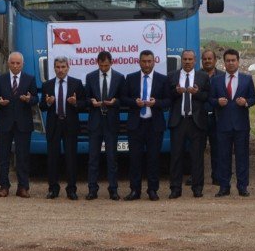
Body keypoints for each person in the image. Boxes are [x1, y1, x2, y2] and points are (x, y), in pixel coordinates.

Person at [121, 50, 170, 201]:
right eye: (144, 61)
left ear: (154, 61)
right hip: (136, 125)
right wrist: (134, 102)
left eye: (149, 61)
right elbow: (123, 98)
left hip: (154, 125)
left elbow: (168, 101)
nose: (147, 64)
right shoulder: (130, 78)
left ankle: (152, 190)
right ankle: (135, 190)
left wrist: (157, 103)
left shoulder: (163, 79)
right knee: (135, 159)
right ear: (139, 62)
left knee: (153, 159)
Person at [209, 48, 255, 197]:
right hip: (222, 125)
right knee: (223, 157)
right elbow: (210, 99)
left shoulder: (246, 79)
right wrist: (217, 102)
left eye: (233, 60)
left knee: (242, 157)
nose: (230, 63)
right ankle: (224, 187)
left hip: (241, 125)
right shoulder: (216, 80)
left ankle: (242, 186)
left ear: (238, 62)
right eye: (228, 61)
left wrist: (246, 102)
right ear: (224, 63)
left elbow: (254, 99)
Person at [0, 52, 37, 198]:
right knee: (3, 155)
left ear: (22, 64)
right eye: (13, 63)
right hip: (5, 122)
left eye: (18, 63)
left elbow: (36, 99)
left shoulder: (29, 79)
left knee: (23, 156)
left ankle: (23, 187)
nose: (15, 65)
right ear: (8, 63)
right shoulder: (0, 79)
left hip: (23, 123)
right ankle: (4, 186)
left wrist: (29, 99)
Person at [40, 57, 84, 199]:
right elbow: (41, 106)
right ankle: (53, 188)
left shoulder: (76, 84)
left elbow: (84, 104)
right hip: (54, 124)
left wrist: (76, 103)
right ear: (54, 68)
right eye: (58, 67)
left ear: (68, 68)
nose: (60, 70)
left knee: (71, 158)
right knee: (52, 158)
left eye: (63, 67)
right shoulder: (47, 85)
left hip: (70, 124)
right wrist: (47, 103)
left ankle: (71, 189)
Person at [168, 50, 209, 198]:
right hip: (178, 121)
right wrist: (176, 92)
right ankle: (175, 188)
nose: (187, 62)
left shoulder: (203, 77)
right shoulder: (172, 75)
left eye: (190, 59)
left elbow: (207, 97)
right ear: (181, 61)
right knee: (176, 156)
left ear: (195, 61)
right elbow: (167, 97)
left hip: (196, 121)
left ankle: (197, 188)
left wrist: (197, 93)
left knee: (197, 157)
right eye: (185, 59)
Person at [84, 51, 124, 200]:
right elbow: (86, 98)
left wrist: (115, 102)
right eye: (101, 65)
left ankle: (113, 189)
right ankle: (92, 189)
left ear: (111, 63)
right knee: (93, 158)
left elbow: (123, 99)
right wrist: (91, 102)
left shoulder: (119, 78)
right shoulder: (90, 77)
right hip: (95, 122)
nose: (104, 68)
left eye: (106, 65)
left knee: (112, 158)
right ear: (97, 63)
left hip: (111, 122)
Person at [201, 49, 222, 188]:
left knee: (217, 148)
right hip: (200, 117)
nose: (208, 61)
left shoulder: (222, 76)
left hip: (217, 117)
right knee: (197, 149)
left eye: (210, 58)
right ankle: (196, 176)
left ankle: (217, 176)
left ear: (215, 60)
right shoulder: (196, 75)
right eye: (205, 59)